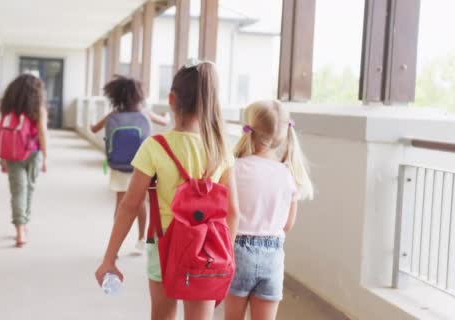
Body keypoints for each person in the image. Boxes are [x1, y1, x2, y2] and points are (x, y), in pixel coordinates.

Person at [95, 61, 240, 320]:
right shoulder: (220, 150)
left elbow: (129, 206)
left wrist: (109, 258)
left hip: (164, 246)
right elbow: (233, 214)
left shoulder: (155, 146)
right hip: (207, 252)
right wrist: (223, 254)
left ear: (171, 100)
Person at [224, 100, 314, 320]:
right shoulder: (287, 174)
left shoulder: (234, 168)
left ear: (248, 130)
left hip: (237, 253)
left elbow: (225, 214)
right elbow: (287, 225)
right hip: (272, 257)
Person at [89, 75, 170, 252]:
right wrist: (165, 115)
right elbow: (165, 122)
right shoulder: (144, 113)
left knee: (120, 203)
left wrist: (91, 124)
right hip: (141, 166)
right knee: (140, 202)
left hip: (118, 165)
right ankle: (141, 239)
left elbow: (94, 128)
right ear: (139, 96)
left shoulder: (113, 115)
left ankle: (115, 245)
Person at [0, 74, 48, 248]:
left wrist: (2, 157)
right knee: (29, 188)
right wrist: (45, 157)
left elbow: (3, 134)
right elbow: (42, 134)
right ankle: (23, 226)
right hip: (33, 153)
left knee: (18, 191)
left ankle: (20, 229)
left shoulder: (8, 110)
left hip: (12, 155)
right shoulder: (38, 109)